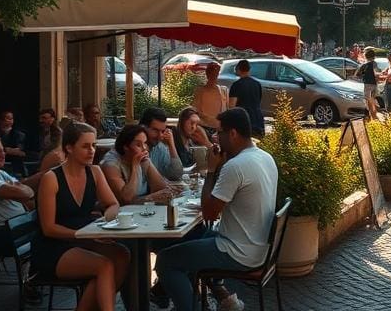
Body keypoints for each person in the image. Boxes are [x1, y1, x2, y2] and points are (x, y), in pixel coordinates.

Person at [155, 108, 277, 311]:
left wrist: (211, 170)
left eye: (218, 132)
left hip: (237, 251)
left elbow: (210, 213)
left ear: (233, 134)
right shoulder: (265, 157)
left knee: (165, 261)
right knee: (193, 235)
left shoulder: (236, 166)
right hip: (259, 247)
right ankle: (200, 298)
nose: (214, 137)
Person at [34, 122, 129, 311]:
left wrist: (105, 221)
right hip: (54, 246)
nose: (92, 151)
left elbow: (113, 204)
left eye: (93, 145)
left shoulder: (94, 172)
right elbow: (48, 228)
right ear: (69, 147)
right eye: (85, 146)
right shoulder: (51, 179)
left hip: (84, 239)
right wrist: (84, 234)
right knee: (104, 266)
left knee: (122, 255)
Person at [100, 123, 176, 205]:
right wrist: (135, 166)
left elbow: (161, 189)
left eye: (145, 143)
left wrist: (148, 163)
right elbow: (125, 199)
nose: (144, 148)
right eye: (138, 145)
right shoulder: (111, 164)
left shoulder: (142, 158)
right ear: (126, 147)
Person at [139, 107, 184, 181]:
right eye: (155, 130)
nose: (160, 136)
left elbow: (176, 175)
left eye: (162, 131)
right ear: (142, 127)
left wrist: (171, 145)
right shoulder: (132, 149)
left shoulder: (159, 148)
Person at [228, 59, 265, 137]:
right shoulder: (257, 84)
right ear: (249, 69)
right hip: (257, 118)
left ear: (238, 69)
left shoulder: (236, 85)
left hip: (244, 120)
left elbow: (232, 106)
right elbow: (259, 101)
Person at [193, 61, 229, 131]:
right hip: (205, 126)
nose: (214, 76)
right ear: (207, 75)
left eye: (216, 73)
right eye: (212, 74)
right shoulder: (200, 91)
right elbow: (196, 110)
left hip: (220, 127)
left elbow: (227, 109)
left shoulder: (224, 90)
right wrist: (211, 120)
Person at [0, 109, 27, 175]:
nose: (11, 120)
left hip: (15, 161)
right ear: (1, 120)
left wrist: (6, 150)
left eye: (12, 118)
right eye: (8, 118)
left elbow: (20, 151)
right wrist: (6, 150)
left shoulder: (19, 134)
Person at [354, 47, 380, 120]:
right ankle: (374, 114)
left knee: (368, 100)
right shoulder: (374, 64)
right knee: (372, 99)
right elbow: (376, 73)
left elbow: (357, 74)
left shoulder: (364, 65)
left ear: (366, 56)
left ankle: (372, 115)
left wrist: (363, 75)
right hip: (374, 84)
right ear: (373, 56)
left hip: (367, 84)